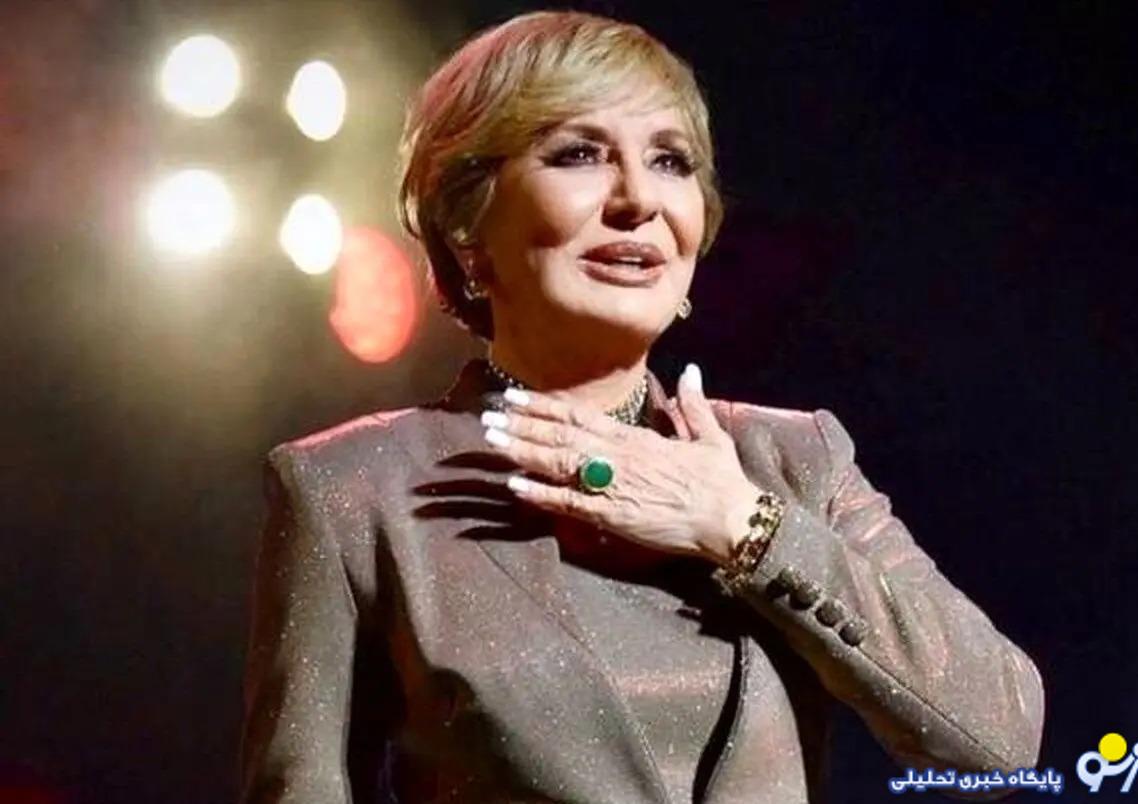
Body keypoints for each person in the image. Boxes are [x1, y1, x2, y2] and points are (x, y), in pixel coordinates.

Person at [238, 10, 1045, 803]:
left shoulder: (793, 460)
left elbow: (999, 745)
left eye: (670, 161)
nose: (638, 199)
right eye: (579, 153)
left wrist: (746, 526)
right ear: (466, 226)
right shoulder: (356, 490)